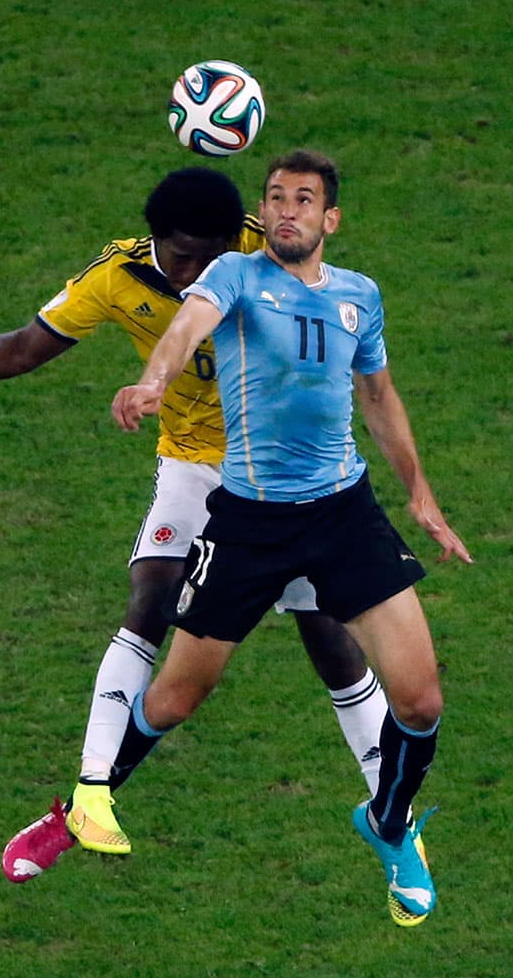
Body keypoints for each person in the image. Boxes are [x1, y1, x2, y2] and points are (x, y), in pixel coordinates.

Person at [0, 166, 387, 882]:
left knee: (329, 639)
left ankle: (390, 819)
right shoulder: (114, 278)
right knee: (149, 600)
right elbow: (24, 348)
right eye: (181, 257)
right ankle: (83, 801)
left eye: (209, 258)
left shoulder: (259, 246)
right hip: (192, 465)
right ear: (154, 240)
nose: (194, 275)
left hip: (283, 470)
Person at [108, 150, 472, 927]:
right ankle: (88, 801)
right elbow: (186, 326)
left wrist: (421, 498)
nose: (285, 211)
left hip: (343, 513)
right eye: (274, 198)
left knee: (421, 699)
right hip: (249, 523)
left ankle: (386, 823)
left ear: (328, 219)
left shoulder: (357, 296)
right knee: (174, 699)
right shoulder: (236, 277)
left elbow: (377, 395)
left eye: (303, 200)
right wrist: (154, 381)